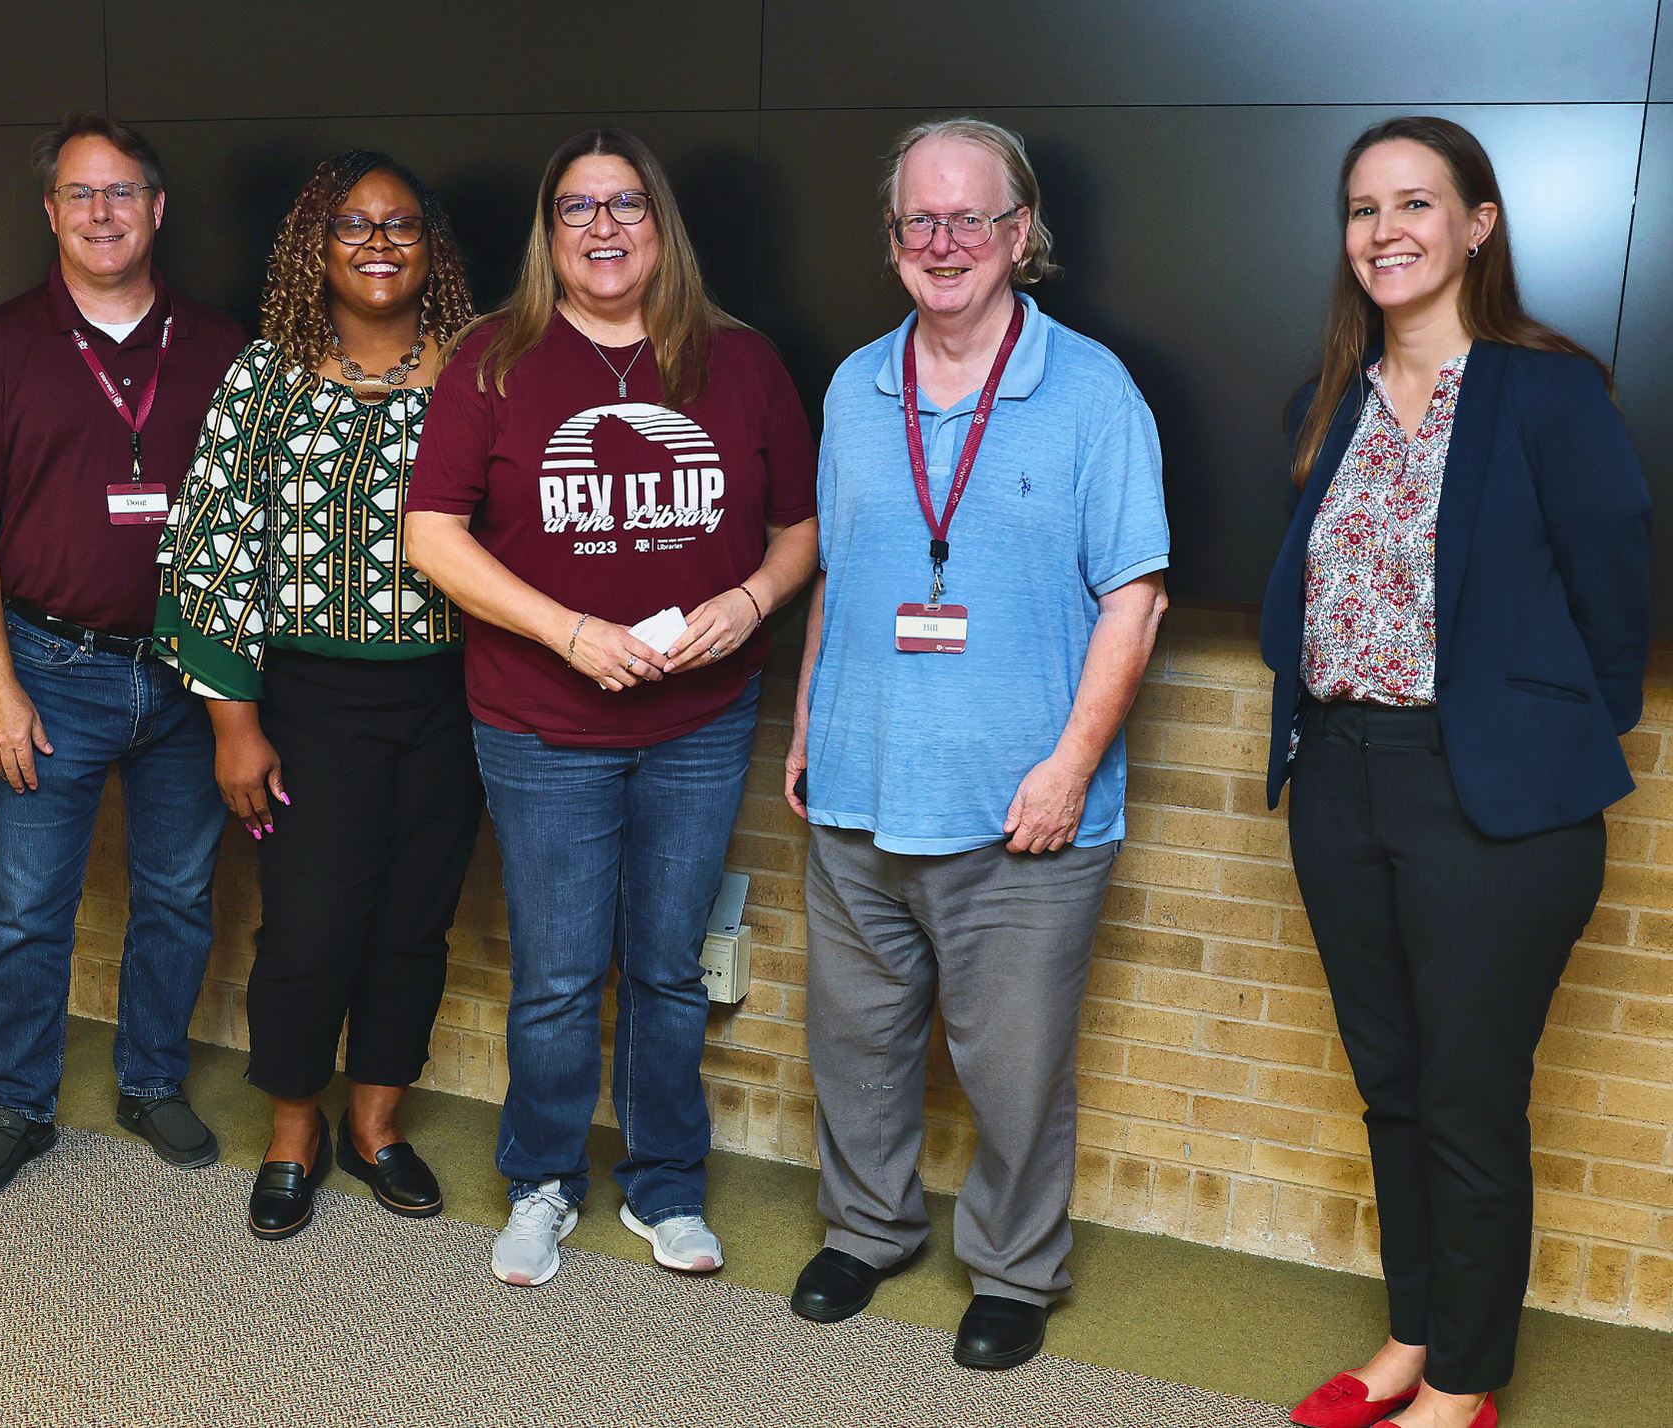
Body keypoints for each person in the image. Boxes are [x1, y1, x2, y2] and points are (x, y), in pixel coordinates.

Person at [1263, 118, 1650, 1428]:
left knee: (1470, 1101)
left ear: (1477, 223)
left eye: (1416, 202)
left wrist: (1532, 740)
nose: (1385, 231)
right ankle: (1412, 1339)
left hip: (1492, 805)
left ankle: (1468, 1385)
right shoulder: (1328, 400)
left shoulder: (1548, 392)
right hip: (1342, 783)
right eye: (1362, 208)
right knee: (1394, 1088)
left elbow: (1613, 607)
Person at [784, 118, 1169, 1371]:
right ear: (892, 240)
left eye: (968, 220)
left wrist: (1067, 771)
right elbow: (839, 578)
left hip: (1022, 810)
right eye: (917, 221)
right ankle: (867, 1228)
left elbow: (1137, 596)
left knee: (1010, 1072)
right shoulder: (853, 387)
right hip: (857, 789)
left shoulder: (1091, 390)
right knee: (852, 1048)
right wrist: (804, 727)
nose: (941, 243)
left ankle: (1011, 1268)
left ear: (1019, 235)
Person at [406, 127, 818, 1287]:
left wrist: (750, 600)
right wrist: (565, 631)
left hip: (700, 723)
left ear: (660, 224)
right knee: (552, 973)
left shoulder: (739, 362)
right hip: (540, 724)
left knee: (668, 968)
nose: (602, 229)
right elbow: (429, 530)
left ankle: (664, 1188)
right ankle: (540, 1182)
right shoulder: (491, 358)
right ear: (548, 234)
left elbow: (802, 526)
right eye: (577, 209)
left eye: (625, 205)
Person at [159, 151, 484, 1240]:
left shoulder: (486, 370)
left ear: (431, 246)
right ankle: (293, 1129)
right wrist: (234, 723)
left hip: (457, 699)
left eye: (401, 224)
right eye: (352, 225)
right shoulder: (265, 375)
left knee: (411, 926)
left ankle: (376, 1124)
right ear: (315, 247)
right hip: (307, 704)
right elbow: (212, 549)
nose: (380, 242)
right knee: (308, 928)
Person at [0, 113, 248, 1201]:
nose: (101, 213)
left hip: (186, 672)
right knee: (25, 906)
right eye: (79, 195)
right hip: (48, 668)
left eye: (121, 194)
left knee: (176, 893)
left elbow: (249, 524)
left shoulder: (220, 349)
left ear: (158, 210)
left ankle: (150, 1080)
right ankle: (18, 1102)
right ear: (50, 215)